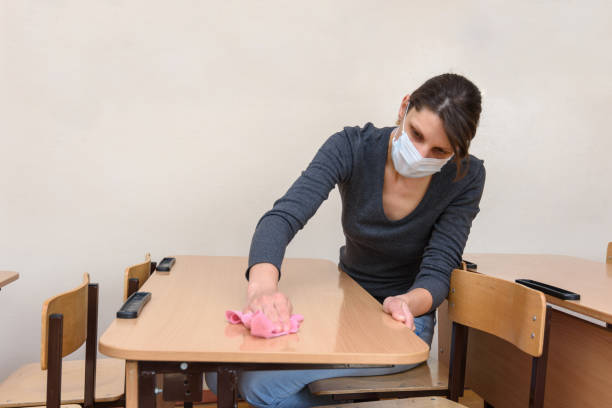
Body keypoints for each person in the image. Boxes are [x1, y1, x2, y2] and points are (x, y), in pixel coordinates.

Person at [206, 73, 486, 407]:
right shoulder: (352, 147)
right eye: (415, 134)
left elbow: (439, 269)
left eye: (439, 151)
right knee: (217, 371)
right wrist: (263, 286)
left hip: (403, 325)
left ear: (456, 153)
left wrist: (407, 302)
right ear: (403, 106)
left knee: (256, 386)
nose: (421, 153)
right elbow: (282, 218)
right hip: (347, 309)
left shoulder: (466, 177)